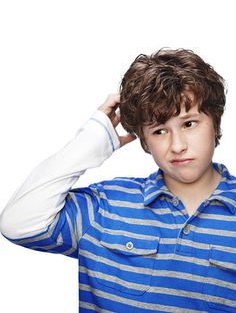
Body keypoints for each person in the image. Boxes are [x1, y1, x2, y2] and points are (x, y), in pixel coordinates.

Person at [0, 48, 235, 312]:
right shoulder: (104, 207)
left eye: (189, 124)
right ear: (144, 141)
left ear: (215, 123)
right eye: (159, 131)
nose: (177, 145)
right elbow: (16, 223)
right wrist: (91, 140)